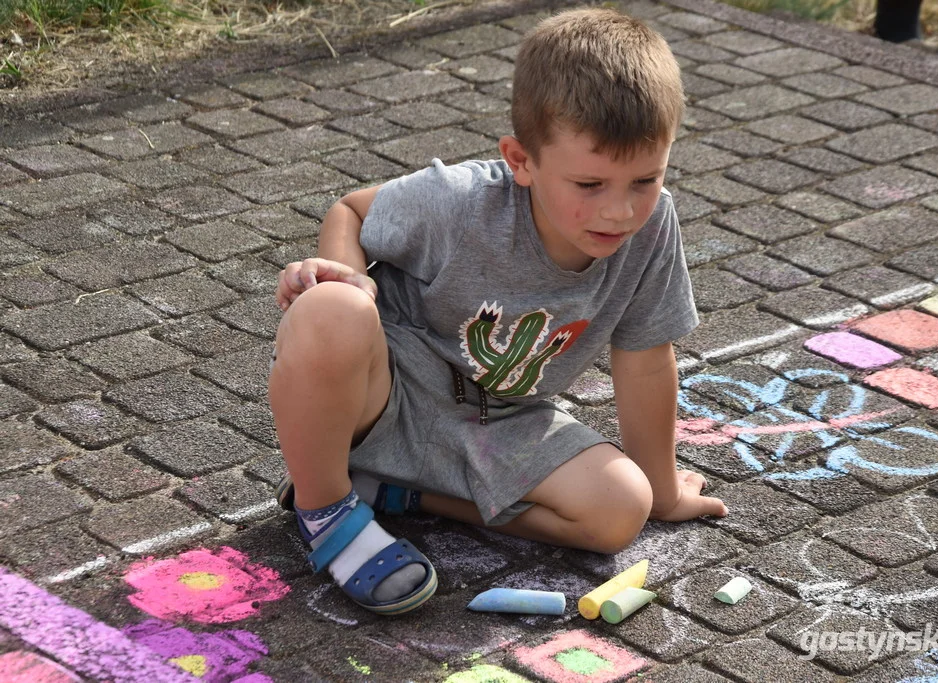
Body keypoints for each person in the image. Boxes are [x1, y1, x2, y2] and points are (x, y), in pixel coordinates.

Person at [269, 7, 728, 616]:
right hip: (388, 394)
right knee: (331, 307)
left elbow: (644, 360)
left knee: (622, 508)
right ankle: (323, 508)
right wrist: (345, 273)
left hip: (501, 420)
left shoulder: (652, 229)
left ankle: (396, 494)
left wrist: (663, 493)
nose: (620, 212)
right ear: (521, 160)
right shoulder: (462, 202)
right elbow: (350, 211)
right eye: (590, 185)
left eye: (644, 180)